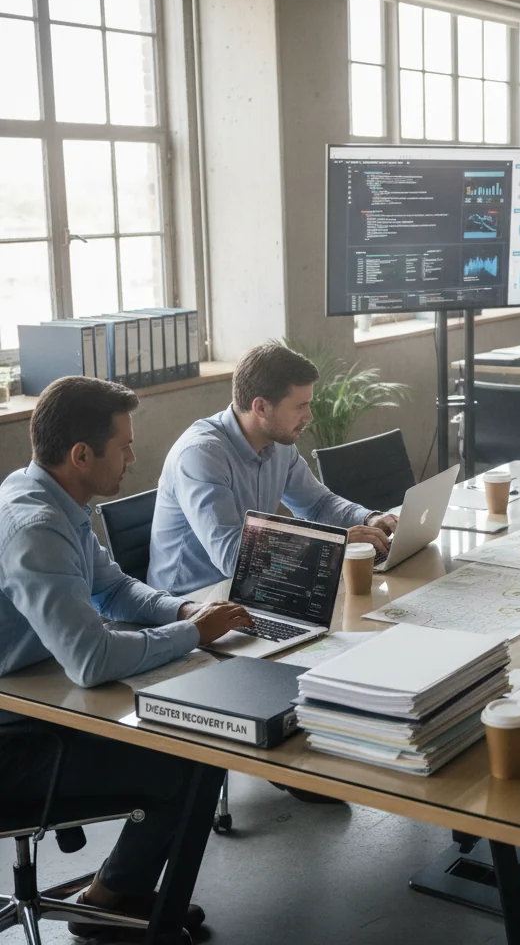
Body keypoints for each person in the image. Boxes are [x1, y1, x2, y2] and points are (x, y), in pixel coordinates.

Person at [0, 377, 251, 938]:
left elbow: (111, 589)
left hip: (33, 698)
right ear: (81, 455)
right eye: (124, 447)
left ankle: (115, 891)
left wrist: (184, 610)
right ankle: (118, 898)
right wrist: (193, 635)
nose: (133, 459)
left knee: (186, 730)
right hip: (13, 741)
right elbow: (90, 661)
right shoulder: (37, 528)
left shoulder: (48, 495)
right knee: (191, 756)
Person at [148, 342, 397, 595]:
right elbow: (231, 557)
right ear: (261, 408)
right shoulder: (201, 455)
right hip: (190, 602)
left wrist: (369, 519)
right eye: (300, 406)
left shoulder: (278, 442)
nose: (309, 416)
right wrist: (333, 545)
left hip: (252, 585)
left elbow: (317, 504)